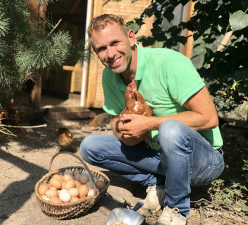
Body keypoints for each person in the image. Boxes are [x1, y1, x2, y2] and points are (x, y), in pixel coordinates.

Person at [79, 14, 225, 225]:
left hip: (203, 161)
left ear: (130, 37)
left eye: (115, 43)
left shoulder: (169, 63)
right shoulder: (109, 75)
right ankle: (159, 183)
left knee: (170, 129)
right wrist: (124, 130)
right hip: (161, 155)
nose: (110, 54)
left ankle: (176, 209)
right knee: (89, 147)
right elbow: (114, 119)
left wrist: (148, 124)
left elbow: (209, 118)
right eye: (102, 49)